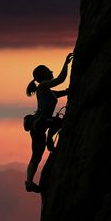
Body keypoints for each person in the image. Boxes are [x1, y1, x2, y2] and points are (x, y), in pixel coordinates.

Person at [25, 52, 73, 193]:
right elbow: (60, 79)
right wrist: (66, 63)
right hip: (40, 124)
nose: (51, 71)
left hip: (39, 125)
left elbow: (58, 93)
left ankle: (29, 182)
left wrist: (67, 92)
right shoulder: (42, 86)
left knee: (37, 155)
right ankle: (50, 140)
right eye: (48, 70)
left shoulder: (46, 90)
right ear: (42, 76)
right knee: (59, 122)